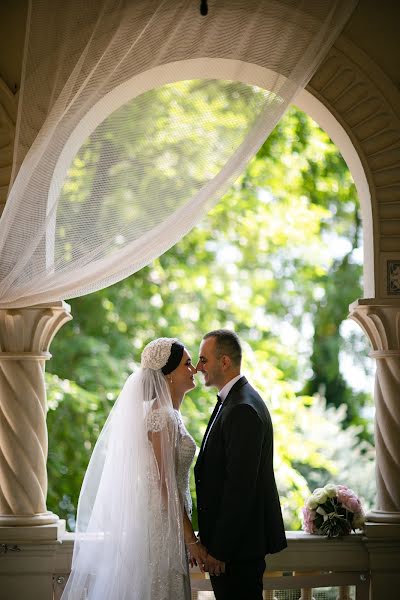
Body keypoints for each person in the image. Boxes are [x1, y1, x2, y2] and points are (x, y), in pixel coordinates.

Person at [62, 337, 207, 600]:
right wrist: (191, 540)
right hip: (164, 524)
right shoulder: (163, 417)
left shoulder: (164, 414)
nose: (194, 369)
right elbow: (165, 484)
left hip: (165, 519)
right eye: (187, 364)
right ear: (169, 373)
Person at [195, 329, 287, 600]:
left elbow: (240, 489)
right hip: (233, 549)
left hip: (236, 552)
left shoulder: (242, 408)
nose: (199, 367)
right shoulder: (234, 401)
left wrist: (220, 550)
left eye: (204, 359)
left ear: (224, 362)